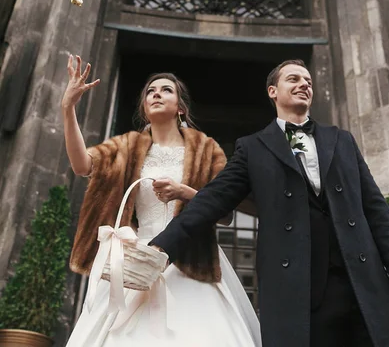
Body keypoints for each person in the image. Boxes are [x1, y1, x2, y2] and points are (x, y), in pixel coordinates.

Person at [150, 59, 389, 347]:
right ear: (272, 91)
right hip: (300, 292)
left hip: (363, 285)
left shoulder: (342, 140)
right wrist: (162, 247)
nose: (304, 84)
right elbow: (212, 200)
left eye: (307, 81)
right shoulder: (252, 148)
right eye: (293, 79)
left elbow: (377, 212)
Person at [62, 55, 261, 347]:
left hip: (193, 256)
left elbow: (225, 213)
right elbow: (82, 166)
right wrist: (68, 108)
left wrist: (186, 192)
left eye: (166, 90)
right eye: (151, 91)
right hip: (140, 254)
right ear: (144, 106)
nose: (156, 93)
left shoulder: (207, 150)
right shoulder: (127, 146)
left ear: (181, 108)